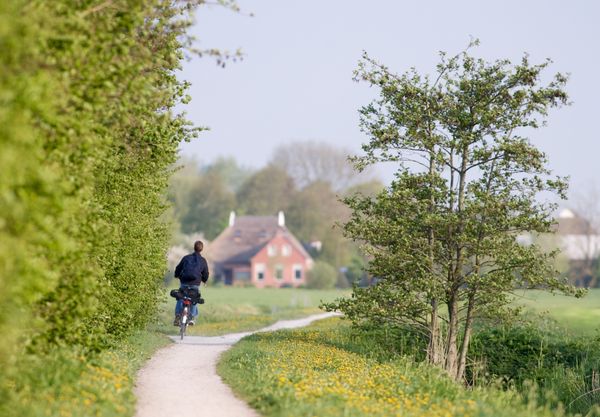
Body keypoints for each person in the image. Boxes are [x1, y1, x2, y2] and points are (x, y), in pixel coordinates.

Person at [173, 240, 209, 326]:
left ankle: (178, 316)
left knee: (180, 297)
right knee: (194, 299)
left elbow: (178, 268)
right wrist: (204, 280)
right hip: (195, 284)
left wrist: (176, 275)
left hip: (184, 282)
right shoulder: (203, 260)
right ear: (202, 249)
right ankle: (192, 317)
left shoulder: (186, 258)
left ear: (194, 247)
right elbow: (206, 273)